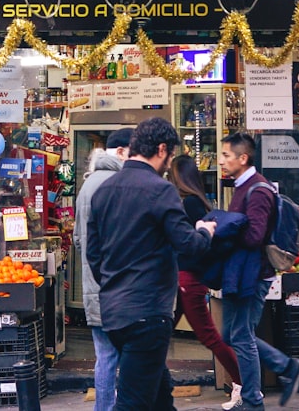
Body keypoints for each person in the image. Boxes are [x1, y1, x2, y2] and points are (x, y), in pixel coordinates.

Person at [87, 117, 216, 411]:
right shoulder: (160, 190)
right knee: (133, 402)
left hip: (114, 312)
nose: (169, 165)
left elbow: (93, 255)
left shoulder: (103, 191)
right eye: (170, 157)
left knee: (158, 395)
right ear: (161, 149)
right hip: (147, 311)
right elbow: (188, 246)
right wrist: (205, 231)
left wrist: (112, 284)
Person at [217, 132, 299, 410]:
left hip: (253, 275)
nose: (221, 160)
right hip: (242, 273)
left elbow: (255, 235)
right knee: (233, 335)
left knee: (240, 335)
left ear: (243, 158)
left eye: (226, 155)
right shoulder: (244, 186)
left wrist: (221, 231)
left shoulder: (259, 190)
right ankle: (288, 368)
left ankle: (254, 401)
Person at [167, 153, 243, 411]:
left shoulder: (189, 205)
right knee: (160, 335)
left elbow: (193, 243)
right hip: (185, 278)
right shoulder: (195, 202)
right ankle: (152, 385)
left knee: (208, 336)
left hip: (187, 278)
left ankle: (242, 384)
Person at [75, 127, 133, 411]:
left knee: (105, 356)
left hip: (93, 287)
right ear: (121, 153)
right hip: (118, 287)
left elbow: (77, 240)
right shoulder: (117, 184)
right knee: (128, 356)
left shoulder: (87, 184)